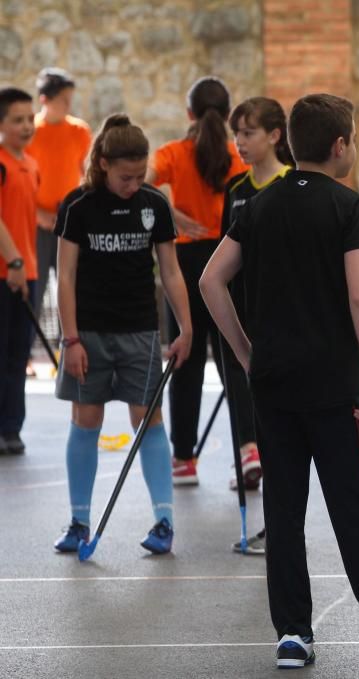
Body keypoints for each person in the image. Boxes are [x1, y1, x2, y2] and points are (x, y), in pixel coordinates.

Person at [200, 93, 359, 669]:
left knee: (283, 513)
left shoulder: (256, 208)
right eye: (354, 140)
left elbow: (212, 281)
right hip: (336, 389)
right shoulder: (350, 207)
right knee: (357, 510)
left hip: (274, 386)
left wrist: (246, 354)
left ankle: (293, 633)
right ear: (340, 146)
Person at [51, 114, 192, 554]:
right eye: (125, 177)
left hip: (141, 332)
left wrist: (186, 327)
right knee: (86, 419)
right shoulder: (78, 205)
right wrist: (70, 340)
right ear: (104, 164)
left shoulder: (154, 204)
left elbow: (170, 271)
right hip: (89, 334)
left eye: (139, 175)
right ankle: (79, 522)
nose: (133, 184)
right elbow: (67, 277)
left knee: (147, 420)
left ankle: (164, 522)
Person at [147, 76, 249, 487]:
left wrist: (171, 213)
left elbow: (142, 180)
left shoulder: (173, 152)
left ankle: (184, 458)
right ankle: (250, 448)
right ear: (227, 115)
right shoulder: (236, 155)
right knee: (236, 357)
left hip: (187, 262)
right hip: (229, 260)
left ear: (188, 113)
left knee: (184, 357)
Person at [222, 96, 295, 555]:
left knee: (283, 433)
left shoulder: (295, 186)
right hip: (245, 319)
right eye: (237, 134)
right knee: (258, 423)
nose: (240, 142)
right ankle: (272, 523)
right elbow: (224, 262)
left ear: (274, 135)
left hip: (284, 321)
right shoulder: (235, 190)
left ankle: (284, 525)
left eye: (248, 133)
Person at [25, 68, 91, 362]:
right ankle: (24, 354)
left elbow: (85, 175)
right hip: (35, 224)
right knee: (35, 292)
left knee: (74, 286)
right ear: (44, 100)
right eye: (63, 100)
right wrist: (39, 214)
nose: (68, 106)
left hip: (68, 224)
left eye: (69, 99)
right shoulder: (31, 132)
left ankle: (76, 349)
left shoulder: (79, 131)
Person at [0, 88, 40, 455]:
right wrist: (12, 262)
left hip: (26, 271)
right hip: (6, 272)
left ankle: (11, 427)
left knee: (17, 354)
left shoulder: (29, 164)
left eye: (30, 118)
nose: (27, 126)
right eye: (17, 120)